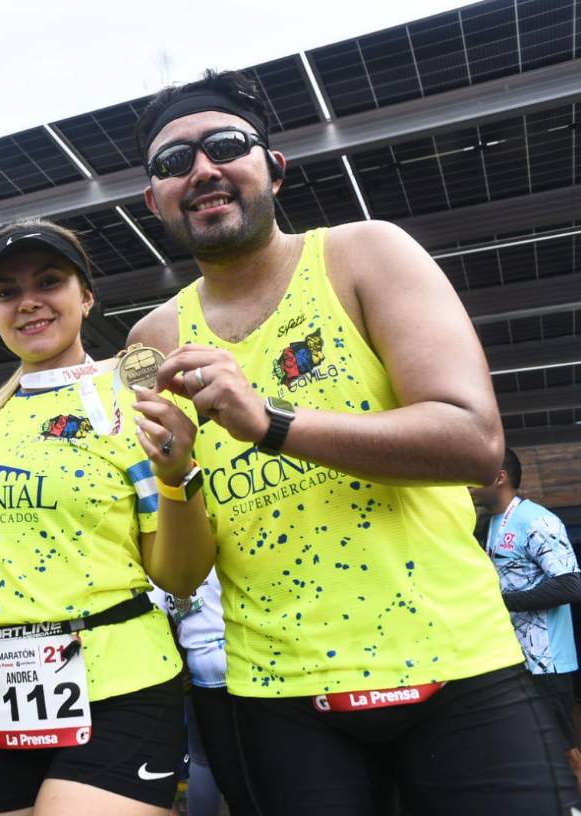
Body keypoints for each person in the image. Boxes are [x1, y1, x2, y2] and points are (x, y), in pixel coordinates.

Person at [127, 69, 576, 813]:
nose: (202, 170)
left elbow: (472, 440)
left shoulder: (366, 254)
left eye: (225, 146)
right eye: (173, 162)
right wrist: (176, 476)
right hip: (279, 700)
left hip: (456, 671)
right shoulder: (149, 341)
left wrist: (269, 422)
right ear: (154, 199)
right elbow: (181, 575)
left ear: (273, 165)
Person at [0, 219, 185, 816]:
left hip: (120, 684)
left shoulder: (133, 401)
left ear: (87, 295)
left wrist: (181, 479)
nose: (28, 302)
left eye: (49, 281)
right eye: (5, 292)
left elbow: (177, 575)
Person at [472, 448, 581, 755]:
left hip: (545, 662)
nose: (467, 484)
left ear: (499, 477)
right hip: (507, 656)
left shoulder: (537, 520)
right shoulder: (488, 524)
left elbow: (571, 585)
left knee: (563, 752)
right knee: (523, 750)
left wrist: (499, 601)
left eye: (473, 475)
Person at [164, 570, 258, 816]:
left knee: (202, 761)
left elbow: (158, 615)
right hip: (251, 663)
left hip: (201, 667)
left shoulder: (162, 554)